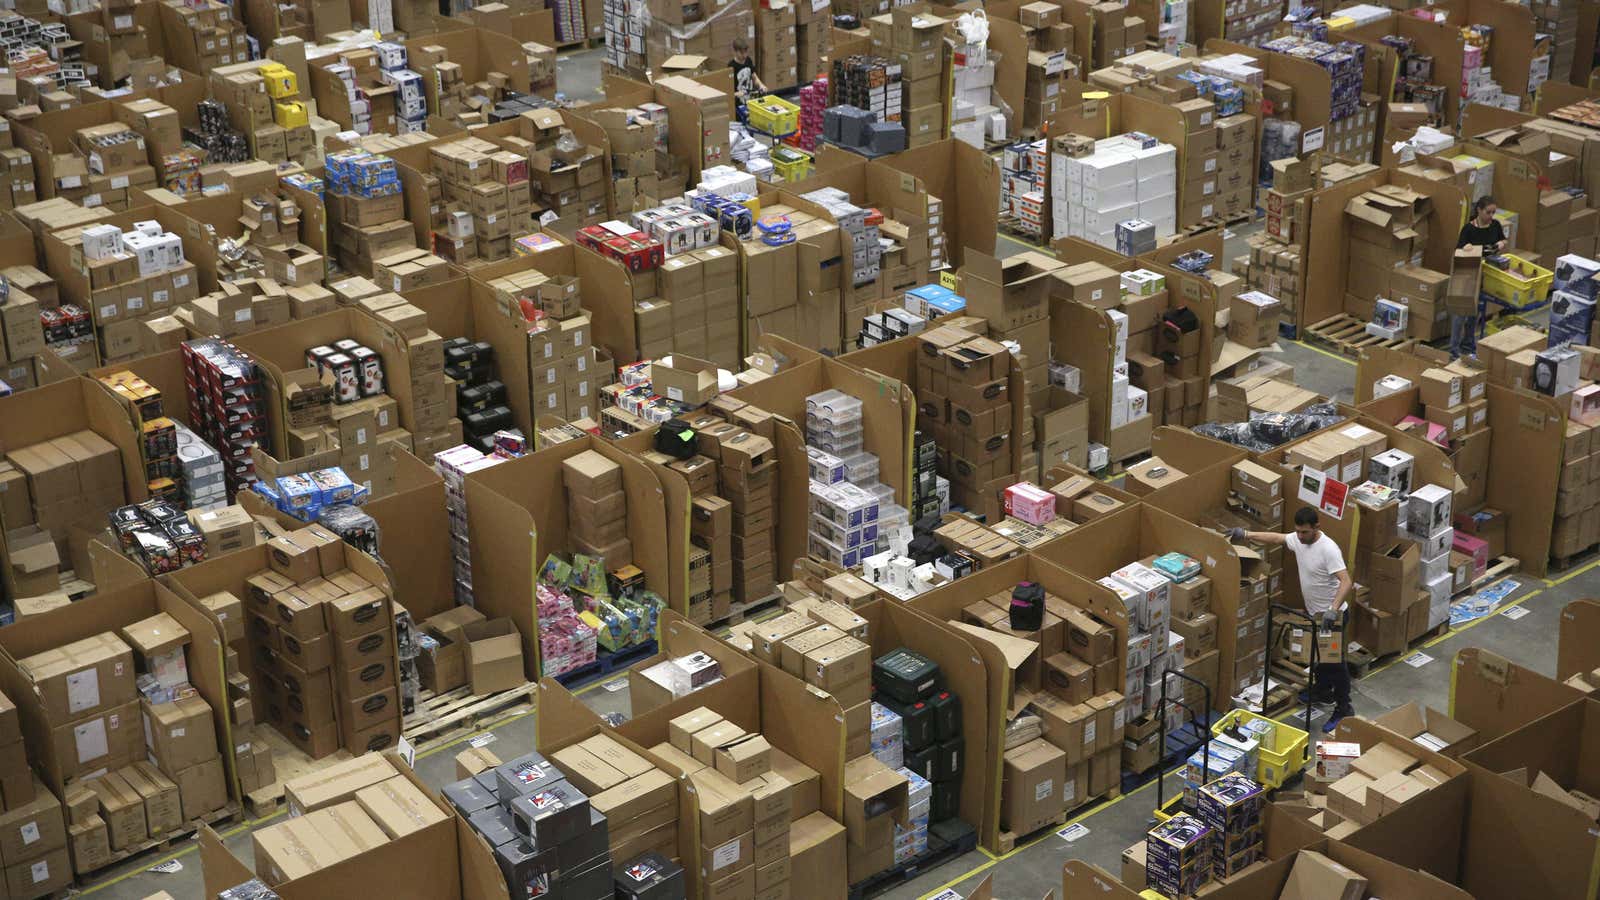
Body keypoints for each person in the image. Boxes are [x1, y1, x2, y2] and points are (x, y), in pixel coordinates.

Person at [1229, 507, 1355, 732]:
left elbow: (1346, 581)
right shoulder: (1299, 540)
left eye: (1305, 532)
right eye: (1297, 532)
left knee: (1335, 662)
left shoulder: (1328, 549)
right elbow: (1277, 538)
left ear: (1317, 527)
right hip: (1315, 615)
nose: (1300, 536)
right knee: (1321, 656)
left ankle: (1344, 708)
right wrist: (1246, 535)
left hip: (1332, 618)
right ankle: (1324, 691)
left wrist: (1333, 609)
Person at [1449, 196, 1507, 360]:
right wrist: (1467, 247)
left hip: (1486, 274)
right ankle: (1453, 351)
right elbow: (1458, 249)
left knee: (1475, 312)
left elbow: (1503, 239)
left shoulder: (1495, 225)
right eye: (1488, 212)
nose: (1491, 216)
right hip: (1468, 274)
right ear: (1479, 211)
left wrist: (1499, 245)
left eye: (1493, 212)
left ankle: (1468, 345)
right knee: (1461, 313)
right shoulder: (1468, 229)